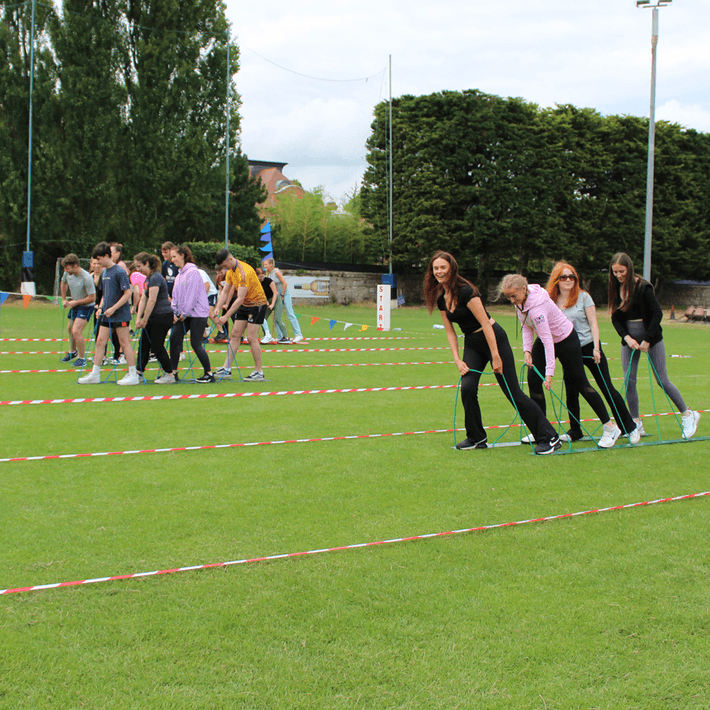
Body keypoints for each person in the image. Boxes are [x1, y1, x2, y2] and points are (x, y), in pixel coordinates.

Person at [425, 252, 560, 455]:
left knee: (512, 392)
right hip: (472, 343)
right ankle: (476, 436)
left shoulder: (466, 291)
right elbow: (450, 332)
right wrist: (457, 359)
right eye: (436, 268)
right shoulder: (441, 299)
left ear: (451, 268)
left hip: (493, 338)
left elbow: (486, 324)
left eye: (443, 267)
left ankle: (549, 437)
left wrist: (496, 355)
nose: (439, 271)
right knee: (468, 387)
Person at [499, 273, 623, 449]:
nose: (511, 300)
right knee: (533, 379)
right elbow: (526, 326)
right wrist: (527, 350)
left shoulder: (537, 308)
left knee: (580, 383)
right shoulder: (520, 303)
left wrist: (549, 374)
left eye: (514, 296)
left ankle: (610, 427)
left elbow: (548, 339)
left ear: (524, 290)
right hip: (546, 339)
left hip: (565, 339)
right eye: (508, 296)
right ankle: (541, 430)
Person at [547, 262, 641, 445]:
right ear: (556, 280)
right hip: (568, 349)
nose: (568, 280)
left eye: (571, 277)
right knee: (571, 390)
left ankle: (629, 427)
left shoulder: (584, 297)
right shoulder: (552, 300)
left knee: (606, 387)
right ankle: (575, 430)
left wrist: (597, 348)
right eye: (563, 277)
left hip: (589, 346)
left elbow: (594, 324)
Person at [609, 252, 700, 439]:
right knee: (629, 380)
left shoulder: (643, 287)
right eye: (615, 272)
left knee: (662, 379)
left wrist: (647, 340)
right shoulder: (615, 287)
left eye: (622, 271)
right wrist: (626, 337)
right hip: (630, 341)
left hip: (651, 338)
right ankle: (635, 423)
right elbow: (616, 318)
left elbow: (657, 314)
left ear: (630, 268)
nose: (618, 275)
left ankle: (688, 415)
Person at [78, 242, 139, 385]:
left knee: (124, 343)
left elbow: (126, 294)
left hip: (120, 314)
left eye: (99, 259)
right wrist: (101, 307)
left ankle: (133, 374)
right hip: (107, 313)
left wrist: (113, 308)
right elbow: (106, 294)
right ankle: (95, 373)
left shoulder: (119, 271)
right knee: (100, 341)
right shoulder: (104, 272)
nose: (97, 263)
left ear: (106, 256)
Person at [213, 249, 268, 381]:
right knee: (235, 335)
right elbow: (225, 291)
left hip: (257, 304)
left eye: (224, 266)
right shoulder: (231, 272)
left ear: (230, 260)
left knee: (251, 337)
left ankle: (259, 371)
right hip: (246, 304)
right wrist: (217, 308)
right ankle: (226, 368)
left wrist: (226, 316)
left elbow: (240, 299)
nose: (224, 269)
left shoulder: (244, 272)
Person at [168, 245, 215, 383]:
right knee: (174, 339)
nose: (172, 260)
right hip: (184, 315)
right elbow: (175, 295)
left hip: (197, 314)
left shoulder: (193, 272)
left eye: (174, 256)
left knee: (196, 344)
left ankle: (209, 373)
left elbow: (193, 296)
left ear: (182, 255)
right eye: (171, 257)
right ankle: (173, 373)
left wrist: (184, 313)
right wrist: (175, 312)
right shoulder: (179, 275)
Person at [133, 252, 176, 384]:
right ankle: (138, 372)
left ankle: (170, 374)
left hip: (162, 316)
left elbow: (152, 300)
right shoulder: (148, 279)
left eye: (139, 266)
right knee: (144, 343)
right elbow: (143, 299)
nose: (137, 269)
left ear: (147, 264)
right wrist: (138, 318)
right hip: (153, 316)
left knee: (157, 346)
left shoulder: (156, 278)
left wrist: (144, 320)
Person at [59, 254, 96, 368]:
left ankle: (81, 358)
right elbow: (63, 283)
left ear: (75, 266)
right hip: (75, 304)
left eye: (67, 267)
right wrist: (64, 299)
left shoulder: (86, 278)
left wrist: (77, 302)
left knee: (76, 331)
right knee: (70, 328)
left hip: (86, 306)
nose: (65, 270)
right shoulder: (67, 274)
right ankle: (73, 352)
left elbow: (92, 298)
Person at [263, 257, 303, 342]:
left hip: (284, 294)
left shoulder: (276, 272)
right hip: (277, 296)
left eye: (266, 264)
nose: (264, 266)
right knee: (277, 317)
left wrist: (282, 295)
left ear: (271, 264)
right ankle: (280, 336)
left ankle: (298, 334)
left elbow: (285, 283)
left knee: (290, 313)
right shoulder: (268, 274)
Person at [255, 266, 283, 344]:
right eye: (259, 276)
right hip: (263, 301)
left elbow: (275, 293)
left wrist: (272, 304)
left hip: (274, 299)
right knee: (261, 318)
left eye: (262, 276)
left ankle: (284, 336)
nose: (261, 278)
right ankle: (266, 335)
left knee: (277, 318)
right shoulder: (256, 282)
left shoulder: (269, 281)